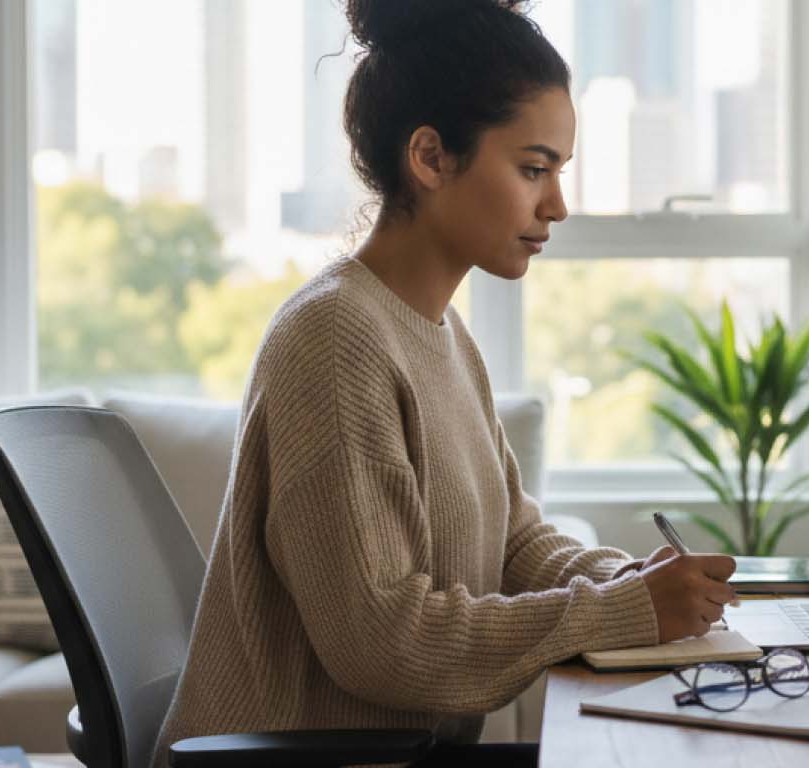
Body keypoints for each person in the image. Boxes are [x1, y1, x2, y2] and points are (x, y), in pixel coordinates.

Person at [151, 1, 737, 765]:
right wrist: (619, 613)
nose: (556, 205)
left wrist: (633, 582)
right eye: (534, 169)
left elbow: (514, 541)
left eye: (558, 172)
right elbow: (384, 643)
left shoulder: (442, 333)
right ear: (430, 158)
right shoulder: (335, 341)